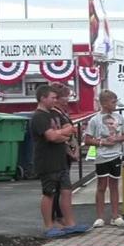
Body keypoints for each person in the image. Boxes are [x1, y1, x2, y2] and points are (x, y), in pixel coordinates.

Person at [31, 85, 85, 238]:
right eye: (52, 98)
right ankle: (49, 225)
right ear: (43, 98)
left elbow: (68, 130)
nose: (55, 101)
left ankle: (70, 223)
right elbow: (52, 137)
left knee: (66, 191)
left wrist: (61, 134)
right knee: (49, 193)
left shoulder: (54, 114)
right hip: (47, 161)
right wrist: (61, 134)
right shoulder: (39, 117)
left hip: (61, 160)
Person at [84, 90, 124, 228]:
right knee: (101, 186)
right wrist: (102, 143)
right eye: (113, 102)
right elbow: (87, 139)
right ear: (104, 103)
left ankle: (115, 216)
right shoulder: (95, 120)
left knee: (114, 185)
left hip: (116, 155)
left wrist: (117, 138)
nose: (115, 104)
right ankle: (99, 217)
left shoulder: (119, 118)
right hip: (102, 157)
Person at [48, 82, 78, 227]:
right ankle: (56, 216)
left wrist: (76, 148)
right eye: (65, 97)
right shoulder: (54, 114)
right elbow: (60, 136)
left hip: (68, 153)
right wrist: (70, 152)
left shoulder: (63, 113)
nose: (67, 99)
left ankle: (60, 215)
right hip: (60, 155)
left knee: (62, 187)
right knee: (57, 188)